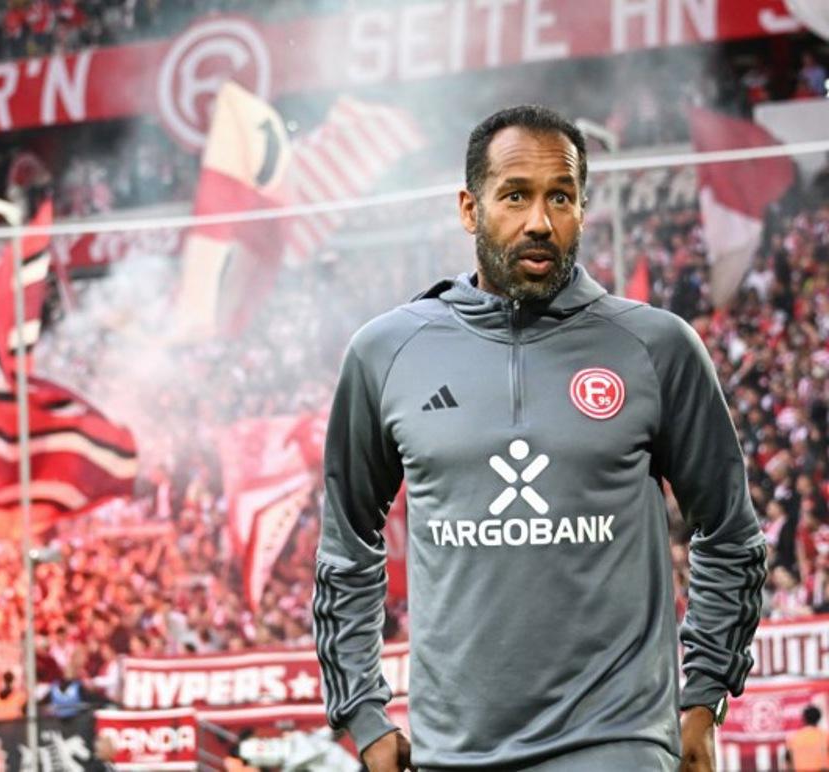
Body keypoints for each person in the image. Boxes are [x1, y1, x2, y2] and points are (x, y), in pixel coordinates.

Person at [313, 105, 766, 771]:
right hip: (454, 755)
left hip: (619, 746)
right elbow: (346, 546)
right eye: (516, 195)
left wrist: (705, 698)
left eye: (561, 197)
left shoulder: (657, 348)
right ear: (470, 209)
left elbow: (730, 534)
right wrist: (365, 714)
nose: (539, 222)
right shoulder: (387, 353)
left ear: (583, 208)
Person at [785, 705, 829, 772]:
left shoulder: (794, 738)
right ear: (819, 718)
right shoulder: (825, 737)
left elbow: (788, 761)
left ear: (804, 719)